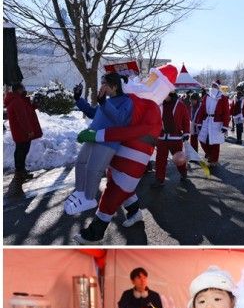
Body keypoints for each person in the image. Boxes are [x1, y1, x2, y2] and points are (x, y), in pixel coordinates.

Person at [73, 64, 178, 244]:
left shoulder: (151, 108)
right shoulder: (131, 99)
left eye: (152, 80)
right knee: (120, 185)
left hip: (133, 157)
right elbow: (102, 114)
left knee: (114, 192)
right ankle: (135, 212)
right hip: (117, 151)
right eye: (148, 78)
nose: (145, 81)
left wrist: (98, 135)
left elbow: (132, 131)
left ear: (161, 87)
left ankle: (95, 233)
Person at [64, 73, 132, 214]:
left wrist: (104, 103)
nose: (101, 86)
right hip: (92, 137)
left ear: (114, 86)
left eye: (104, 83)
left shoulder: (126, 101)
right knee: (81, 163)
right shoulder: (106, 101)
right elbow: (91, 112)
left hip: (108, 141)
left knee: (93, 169)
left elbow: (120, 120)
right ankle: (81, 192)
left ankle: (89, 198)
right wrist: (78, 98)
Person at [5, 82, 43, 197]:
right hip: (22, 132)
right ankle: (19, 172)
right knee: (21, 152)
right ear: (19, 90)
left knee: (22, 151)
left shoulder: (19, 99)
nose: (25, 90)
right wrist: (29, 130)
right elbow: (22, 117)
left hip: (22, 132)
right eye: (23, 88)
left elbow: (29, 109)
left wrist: (35, 103)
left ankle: (21, 171)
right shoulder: (16, 101)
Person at [154, 90, 190, 186]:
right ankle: (159, 179)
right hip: (162, 137)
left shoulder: (180, 105)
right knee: (160, 160)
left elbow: (186, 119)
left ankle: (183, 173)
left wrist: (186, 132)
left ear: (170, 93)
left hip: (175, 137)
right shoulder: (160, 104)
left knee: (179, 159)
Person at [195, 80, 230, 167]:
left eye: (215, 86)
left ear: (218, 87)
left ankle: (214, 159)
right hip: (206, 120)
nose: (213, 87)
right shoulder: (206, 97)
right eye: (212, 85)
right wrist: (199, 122)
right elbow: (202, 110)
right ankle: (209, 154)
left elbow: (226, 112)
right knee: (202, 139)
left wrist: (225, 126)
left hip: (216, 122)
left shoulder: (223, 98)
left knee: (215, 142)